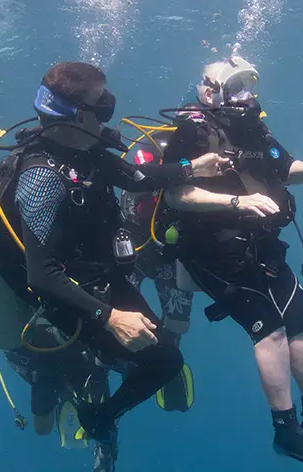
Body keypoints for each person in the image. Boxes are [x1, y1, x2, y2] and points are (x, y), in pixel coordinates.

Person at [0, 62, 227, 448]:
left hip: (99, 275)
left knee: (162, 356)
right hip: (64, 291)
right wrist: (111, 317)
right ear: (80, 115)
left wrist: (190, 167)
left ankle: (97, 404)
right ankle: (94, 407)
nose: (110, 106)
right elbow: (41, 275)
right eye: (101, 101)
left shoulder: (89, 151)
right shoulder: (42, 178)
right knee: (162, 361)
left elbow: (137, 178)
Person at [161, 56, 303, 466]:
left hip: (261, 248)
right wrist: (236, 200)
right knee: (270, 334)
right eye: (236, 88)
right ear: (210, 90)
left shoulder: (253, 128)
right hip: (210, 252)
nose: (246, 96)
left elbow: (285, 167)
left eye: (248, 86)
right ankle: (284, 431)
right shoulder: (190, 132)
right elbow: (176, 195)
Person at [0, 283, 118, 472]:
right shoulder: (3, 304)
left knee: (97, 396)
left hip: (73, 358)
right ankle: (68, 397)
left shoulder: (40, 284)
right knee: (42, 428)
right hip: (43, 371)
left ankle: (104, 443)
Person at [120, 136, 195, 413]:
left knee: (175, 324)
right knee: (132, 317)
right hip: (139, 250)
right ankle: (149, 360)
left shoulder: (188, 163)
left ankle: (160, 360)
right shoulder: (152, 156)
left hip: (158, 253)